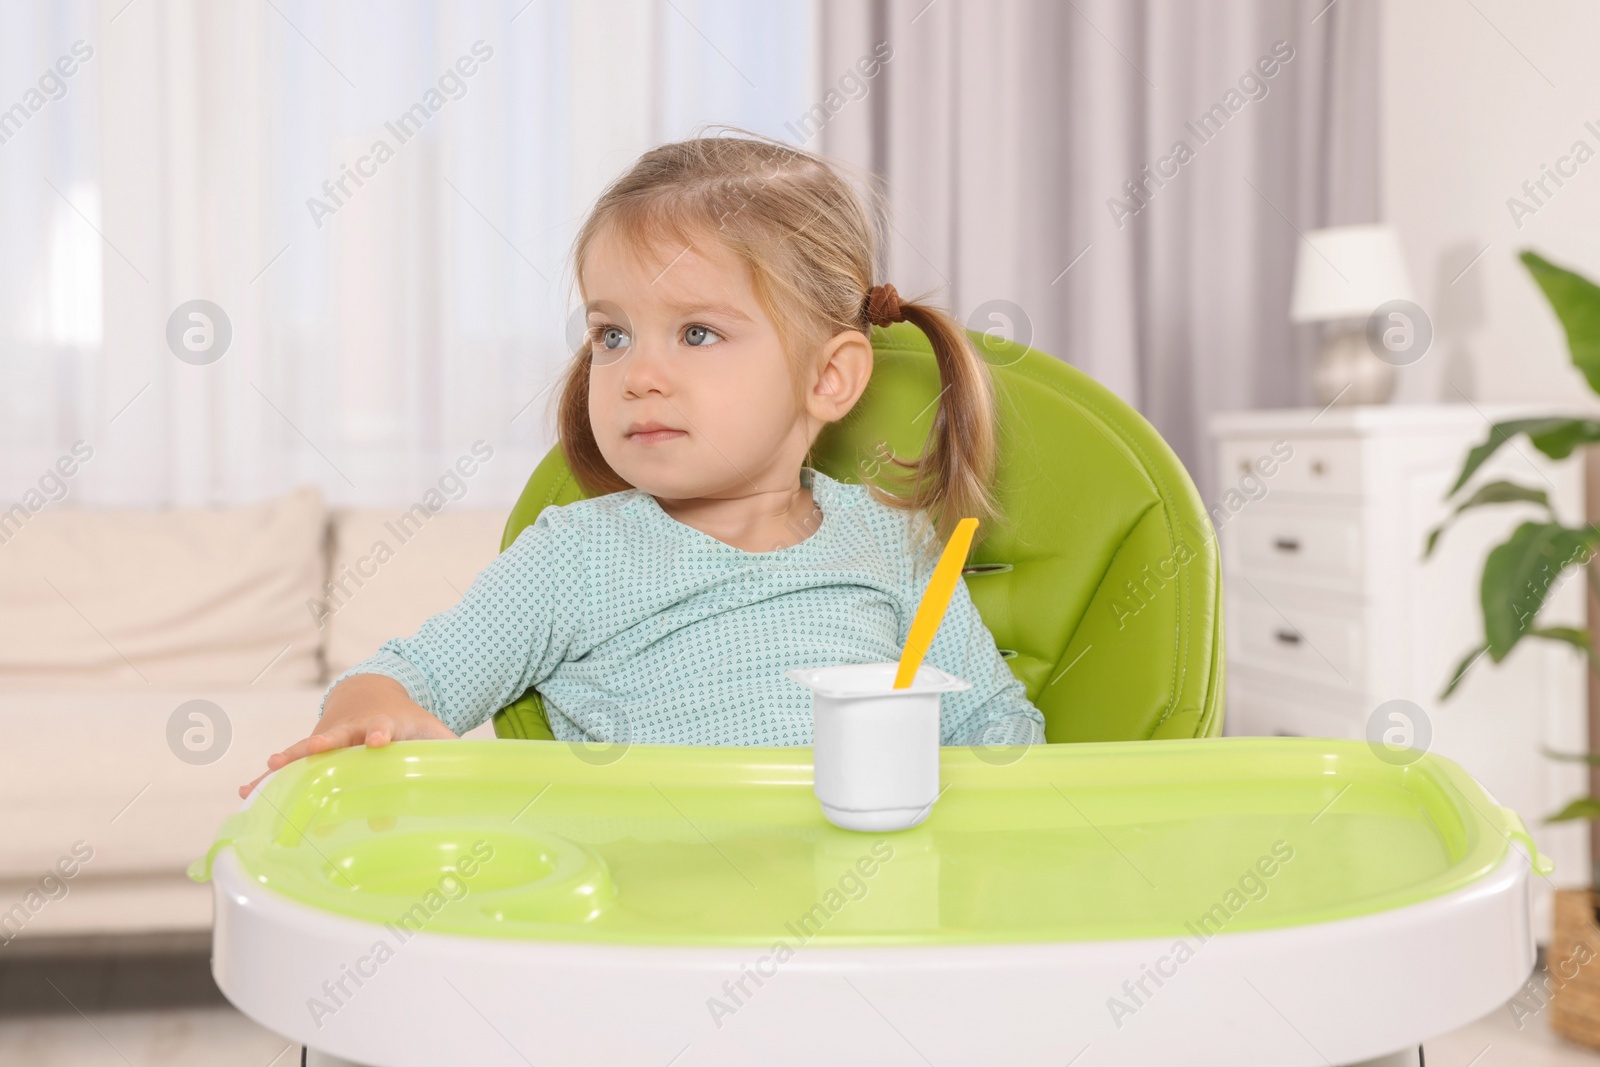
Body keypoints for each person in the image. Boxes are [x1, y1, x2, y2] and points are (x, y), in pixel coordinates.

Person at [241, 130, 1044, 798]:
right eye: (611, 334)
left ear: (828, 377)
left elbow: (994, 727)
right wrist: (370, 714)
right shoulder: (577, 558)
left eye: (697, 332)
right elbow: (406, 678)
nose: (636, 374)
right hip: (649, 935)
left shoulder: (891, 545)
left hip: (861, 924)